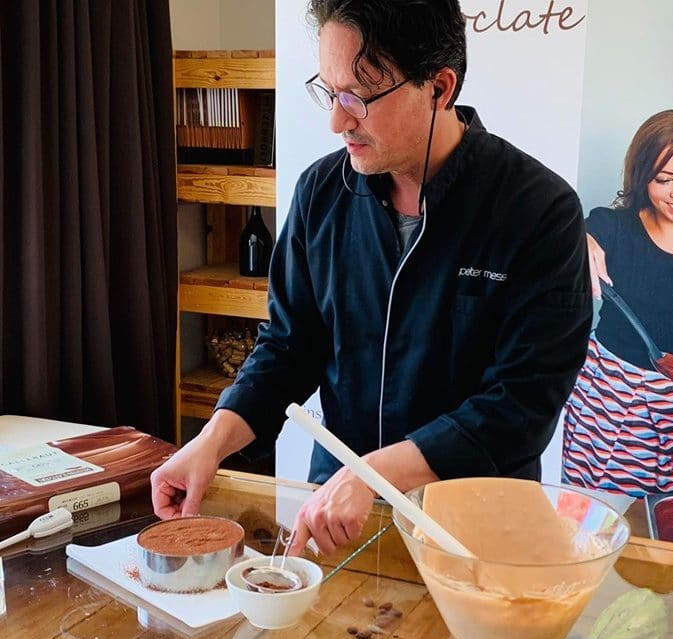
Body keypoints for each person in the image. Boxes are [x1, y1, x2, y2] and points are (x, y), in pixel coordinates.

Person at [151, 0, 592, 555]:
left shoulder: (539, 211)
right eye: (330, 92)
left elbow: (520, 405)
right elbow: (288, 348)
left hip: (472, 530)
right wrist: (211, 441)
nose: (337, 121)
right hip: (334, 519)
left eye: (358, 97)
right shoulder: (321, 194)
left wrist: (373, 474)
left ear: (439, 87)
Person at [562, 107, 673, 497]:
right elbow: (578, 237)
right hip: (605, 400)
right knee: (595, 516)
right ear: (642, 176)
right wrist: (579, 242)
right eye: (663, 179)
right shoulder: (614, 226)